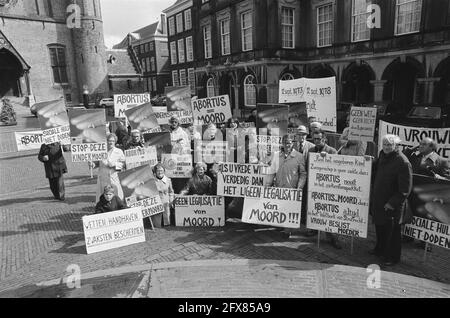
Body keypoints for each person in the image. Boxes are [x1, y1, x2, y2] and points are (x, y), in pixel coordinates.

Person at [370, 134, 413, 266]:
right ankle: (380, 250)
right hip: (379, 200)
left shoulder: (403, 162)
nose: (387, 147)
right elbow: (375, 169)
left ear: (396, 146)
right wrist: (368, 161)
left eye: (390, 145)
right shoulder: (383, 155)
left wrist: (392, 203)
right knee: (380, 227)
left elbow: (405, 189)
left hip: (391, 204)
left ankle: (392, 257)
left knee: (392, 232)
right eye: (385, 144)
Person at [305, 130, 342, 249]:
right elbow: (307, 166)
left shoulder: (332, 151)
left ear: (324, 139)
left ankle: (333, 238)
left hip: (328, 188)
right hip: (314, 186)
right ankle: (314, 229)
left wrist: (326, 160)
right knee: (314, 209)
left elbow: (338, 169)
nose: (316, 141)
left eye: (319, 139)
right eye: (314, 139)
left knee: (329, 213)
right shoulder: (311, 151)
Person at [269, 135, 307, 238]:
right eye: (285, 142)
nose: (287, 145)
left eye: (289, 143)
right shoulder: (276, 155)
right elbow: (272, 171)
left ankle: (287, 230)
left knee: (289, 209)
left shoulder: (299, 156)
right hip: (279, 187)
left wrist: (299, 188)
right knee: (280, 208)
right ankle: (281, 225)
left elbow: (303, 174)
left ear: (292, 143)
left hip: (292, 188)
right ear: (282, 143)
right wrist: (268, 184)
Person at [91, 133, 126, 202]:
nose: (111, 142)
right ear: (106, 141)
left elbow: (123, 164)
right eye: (109, 140)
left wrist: (115, 165)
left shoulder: (119, 152)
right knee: (104, 196)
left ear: (115, 142)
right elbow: (97, 163)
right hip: (103, 177)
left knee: (117, 195)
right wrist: (93, 164)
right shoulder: (101, 151)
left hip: (114, 177)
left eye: (112, 141)